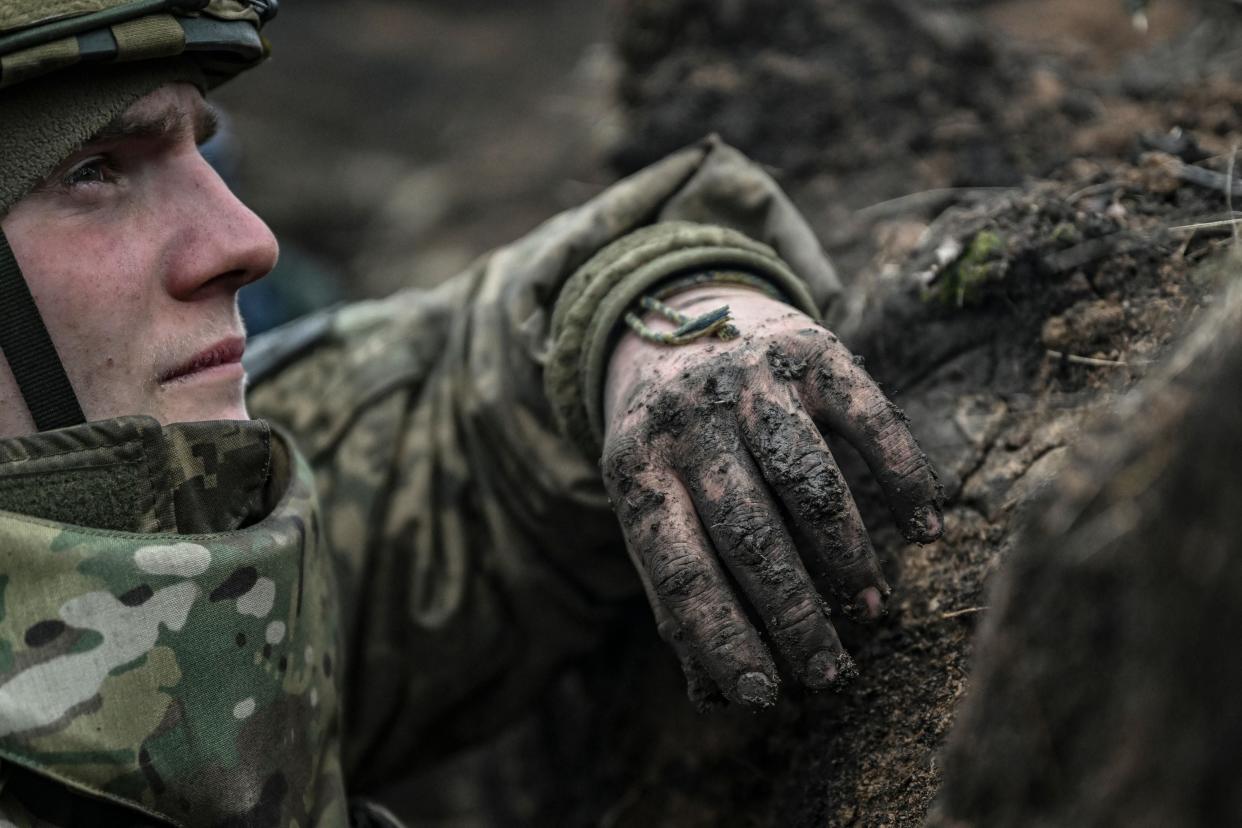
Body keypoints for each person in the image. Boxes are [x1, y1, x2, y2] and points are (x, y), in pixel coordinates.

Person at [0, 1, 943, 825]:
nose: (246, 242)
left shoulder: (202, 520)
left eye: (198, 148)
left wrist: (657, 325)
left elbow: (465, 412)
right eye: (94, 171)